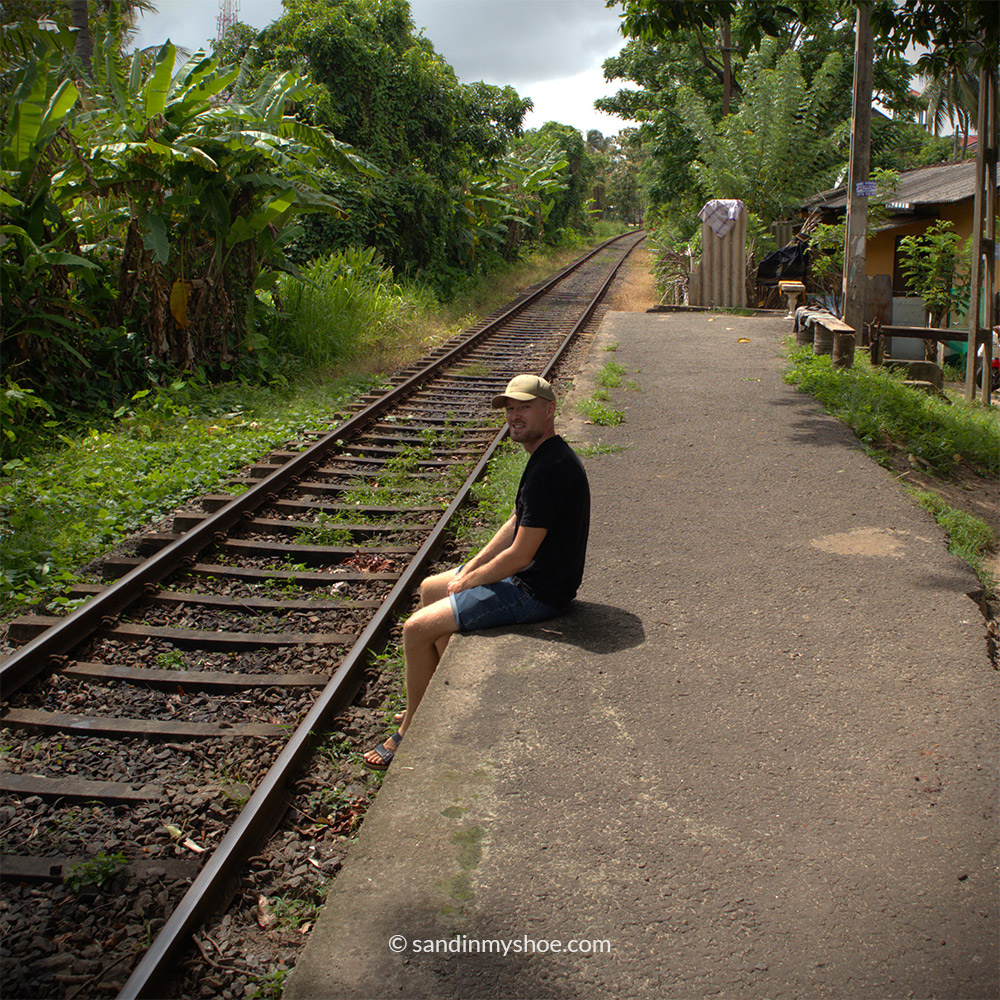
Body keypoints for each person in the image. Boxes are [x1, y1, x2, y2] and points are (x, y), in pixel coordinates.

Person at [364, 373, 590, 768]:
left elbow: (520, 555)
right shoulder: (544, 457)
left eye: (524, 407)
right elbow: (516, 520)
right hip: (534, 578)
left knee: (415, 630)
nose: (515, 416)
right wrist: (471, 567)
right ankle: (431, 700)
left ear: (550, 410)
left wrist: (470, 582)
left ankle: (411, 729)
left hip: (537, 592)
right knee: (432, 587)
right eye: (510, 409)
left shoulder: (551, 468)